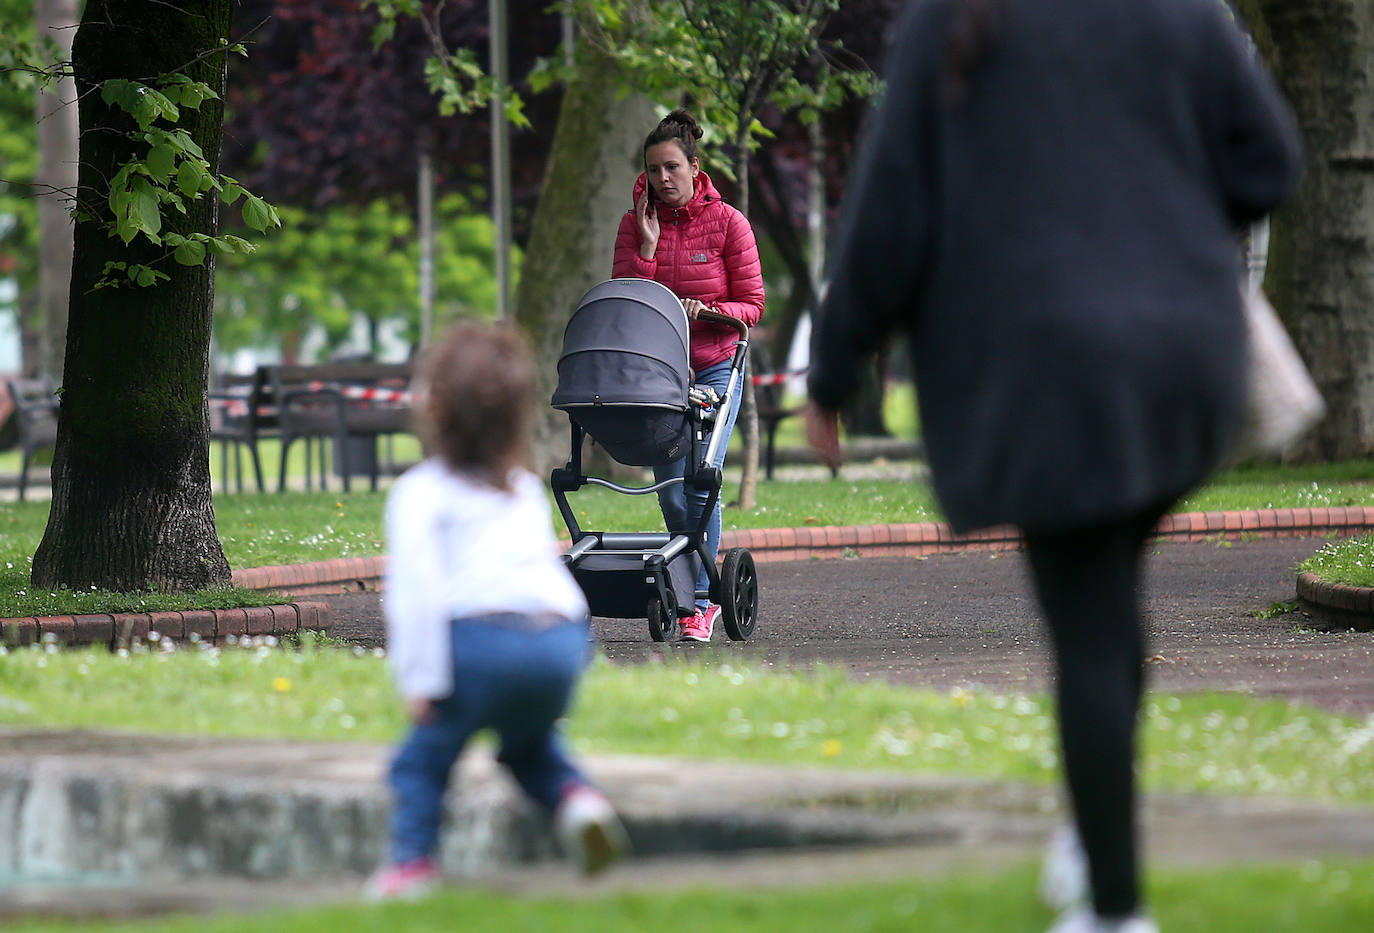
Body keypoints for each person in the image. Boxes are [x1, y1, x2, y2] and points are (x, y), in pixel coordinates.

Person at [805, 2, 1300, 932]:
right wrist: (1166, 232)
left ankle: (1114, 907)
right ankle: (1092, 829)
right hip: (1178, 359)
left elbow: (890, 212)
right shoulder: (1178, 11)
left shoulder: (955, 22)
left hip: (1038, 370)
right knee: (1108, 604)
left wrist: (832, 372)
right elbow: (1268, 160)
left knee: (1090, 625)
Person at [367, 320, 628, 899]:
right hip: (558, 643)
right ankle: (578, 802)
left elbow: (416, 597)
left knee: (420, 763)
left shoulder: (421, 492)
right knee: (528, 747)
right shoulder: (521, 488)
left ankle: (410, 868)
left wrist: (422, 682)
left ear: (434, 410)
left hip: (482, 640)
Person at [613, 108, 766, 642]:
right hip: (660, 372)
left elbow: (753, 303)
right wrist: (650, 250)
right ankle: (685, 586)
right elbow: (628, 302)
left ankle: (701, 601)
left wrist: (712, 310)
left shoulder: (728, 223)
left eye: (673, 167)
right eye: (654, 170)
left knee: (700, 481)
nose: (663, 179)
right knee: (670, 488)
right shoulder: (636, 225)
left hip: (716, 365)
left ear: (695, 167)